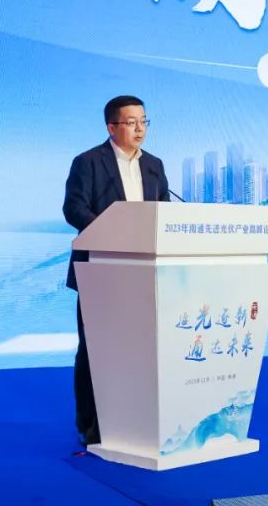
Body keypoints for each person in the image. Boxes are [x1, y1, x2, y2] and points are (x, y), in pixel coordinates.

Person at [62, 95, 171, 447]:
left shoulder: (154, 165)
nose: (140, 129)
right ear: (112, 127)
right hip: (100, 270)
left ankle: (135, 417)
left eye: (144, 121)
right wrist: (114, 235)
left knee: (140, 348)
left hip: (145, 272)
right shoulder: (88, 162)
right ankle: (91, 424)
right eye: (131, 122)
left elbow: (164, 213)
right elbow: (73, 208)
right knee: (95, 348)